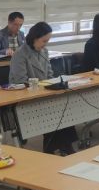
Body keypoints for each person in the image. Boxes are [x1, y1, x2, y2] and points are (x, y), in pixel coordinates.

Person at [9, 21, 77, 155]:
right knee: (52, 110)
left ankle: (64, 146)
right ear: (34, 38)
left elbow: (50, 75)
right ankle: (54, 148)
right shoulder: (20, 54)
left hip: (43, 94)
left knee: (64, 105)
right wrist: (42, 86)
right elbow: (20, 82)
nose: (46, 44)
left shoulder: (44, 51)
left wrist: (55, 84)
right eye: (44, 41)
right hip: (26, 97)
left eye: (47, 41)